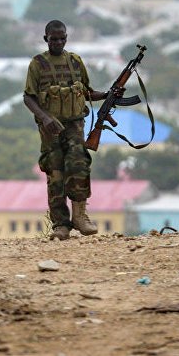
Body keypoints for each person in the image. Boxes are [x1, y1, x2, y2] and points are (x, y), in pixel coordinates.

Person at [23, 20, 108, 240]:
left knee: (78, 165)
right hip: (51, 128)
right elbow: (28, 97)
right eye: (54, 39)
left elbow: (86, 93)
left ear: (66, 38)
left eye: (62, 38)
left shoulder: (75, 62)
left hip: (74, 125)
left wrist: (108, 95)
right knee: (56, 171)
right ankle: (60, 224)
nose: (58, 42)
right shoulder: (38, 64)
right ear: (46, 39)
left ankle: (80, 216)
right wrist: (45, 117)